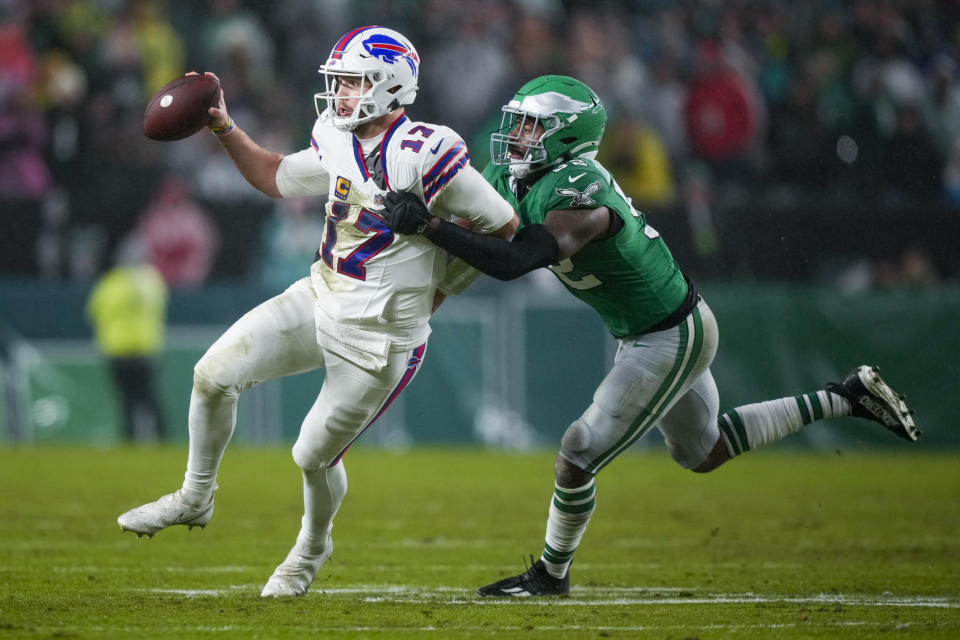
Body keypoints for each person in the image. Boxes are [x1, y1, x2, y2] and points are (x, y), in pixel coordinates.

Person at [380, 75, 920, 597]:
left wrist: (428, 226)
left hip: (668, 334)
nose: (516, 135)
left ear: (565, 134)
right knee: (703, 452)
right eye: (517, 123)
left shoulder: (578, 189)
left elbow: (518, 259)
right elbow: (465, 219)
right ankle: (845, 397)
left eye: (530, 126)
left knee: (577, 452)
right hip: (651, 329)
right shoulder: (513, 177)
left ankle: (550, 574)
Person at [116, 26, 518, 598]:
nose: (339, 95)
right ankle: (194, 495)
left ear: (390, 85)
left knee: (310, 455)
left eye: (353, 82)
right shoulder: (335, 135)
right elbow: (276, 177)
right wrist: (223, 127)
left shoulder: (427, 152)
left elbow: (504, 231)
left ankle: (311, 545)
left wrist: (441, 283)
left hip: (381, 336)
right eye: (339, 82)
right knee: (212, 375)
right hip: (320, 294)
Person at [86, 234, 168, 442]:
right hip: (144, 349)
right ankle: (162, 439)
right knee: (149, 399)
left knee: (127, 400)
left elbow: (94, 312)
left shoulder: (110, 283)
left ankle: (129, 439)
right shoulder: (151, 281)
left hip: (116, 350)